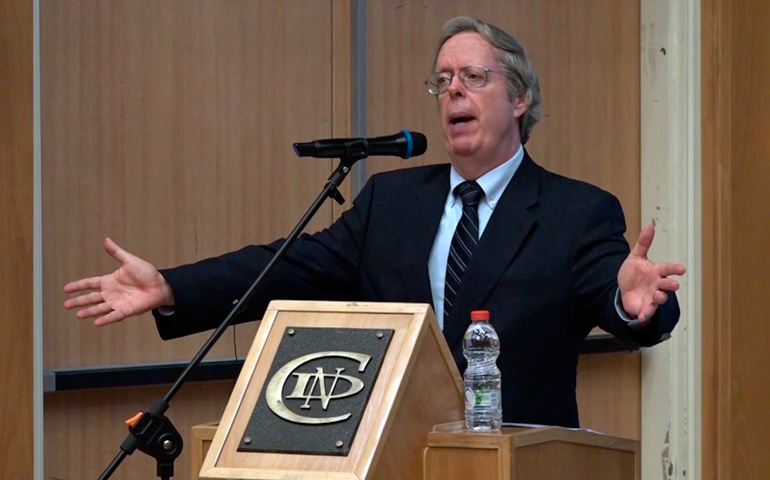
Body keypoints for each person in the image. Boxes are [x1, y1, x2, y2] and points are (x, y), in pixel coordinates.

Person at [64, 16, 686, 428]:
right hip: (395, 454)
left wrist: (634, 304)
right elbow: (286, 266)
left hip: (518, 462)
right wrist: (170, 287)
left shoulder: (576, 211)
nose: (453, 91)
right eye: (442, 81)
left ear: (519, 98)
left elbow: (623, 299)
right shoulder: (393, 202)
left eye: (473, 77)